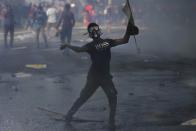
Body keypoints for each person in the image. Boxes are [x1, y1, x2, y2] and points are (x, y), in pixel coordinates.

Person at [60, 20, 139, 130]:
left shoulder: (97, 44)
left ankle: (70, 115)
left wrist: (128, 31)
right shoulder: (104, 43)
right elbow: (124, 40)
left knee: (97, 97)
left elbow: (79, 50)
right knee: (104, 97)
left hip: (101, 76)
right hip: (97, 76)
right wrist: (128, 32)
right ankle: (110, 122)